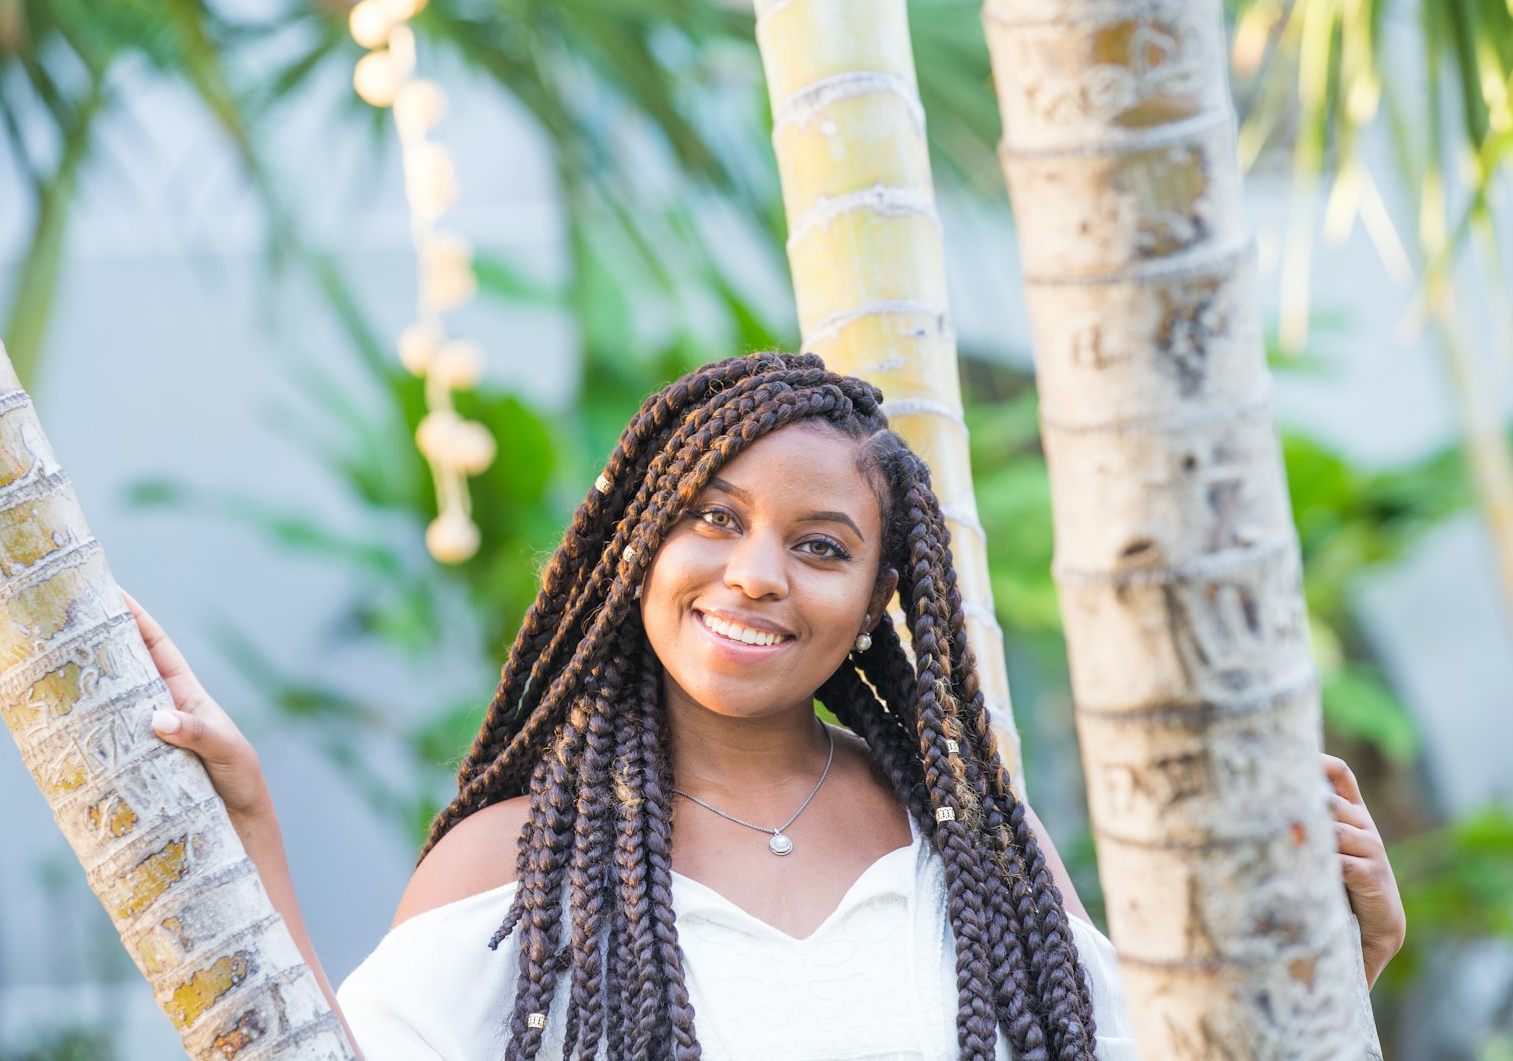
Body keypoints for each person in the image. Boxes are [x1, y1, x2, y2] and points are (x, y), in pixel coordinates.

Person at [125, 353, 1406, 1060]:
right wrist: (251, 834)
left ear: (875, 597)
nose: (753, 573)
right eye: (713, 516)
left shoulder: (966, 845)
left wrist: (1338, 968)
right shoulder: (520, 859)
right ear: (639, 544)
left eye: (821, 544)